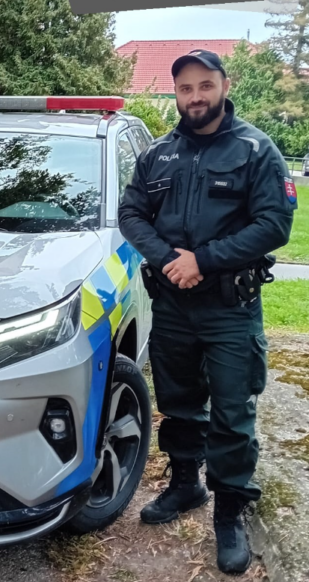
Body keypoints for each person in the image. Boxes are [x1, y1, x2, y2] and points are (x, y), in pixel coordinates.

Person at [118, 49, 296, 575]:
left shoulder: (255, 149)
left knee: (233, 414)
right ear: (176, 94)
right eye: (185, 88)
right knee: (179, 401)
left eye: (204, 86)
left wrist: (204, 260)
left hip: (230, 309)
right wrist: (171, 260)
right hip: (173, 303)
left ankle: (230, 512)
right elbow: (131, 212)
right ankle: (184, 485)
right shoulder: (160, 154)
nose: (195, 96)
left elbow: (274, 225)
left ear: (223, 85)